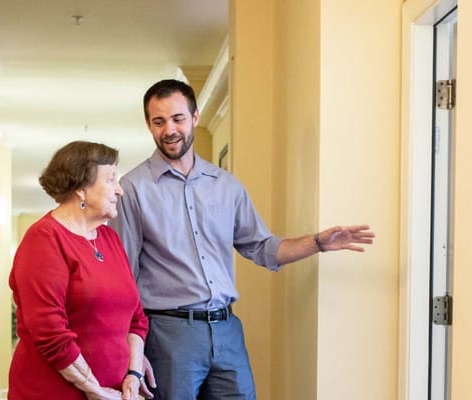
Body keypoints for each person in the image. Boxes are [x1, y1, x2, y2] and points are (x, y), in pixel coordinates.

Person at [111, 79, 375, 399]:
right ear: (149, 125)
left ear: (194, 118)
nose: (169, 129)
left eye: (178, 118)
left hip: (227, 332)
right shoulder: (133, 189)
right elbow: (121, 277)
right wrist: (131, 355)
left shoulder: (227, 186)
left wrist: (318, 242)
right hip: (168, 334)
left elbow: (262, 248)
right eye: (159, 121)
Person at [9, 141, 150, 400]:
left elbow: (137, 320)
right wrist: (95, 390)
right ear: (82, 189)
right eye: (111, 179)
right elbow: (51, 334)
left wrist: (133, 374)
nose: (119, 190)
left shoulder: (109, 238)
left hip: (114, 393)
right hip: (55, 392)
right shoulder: (44, 239)